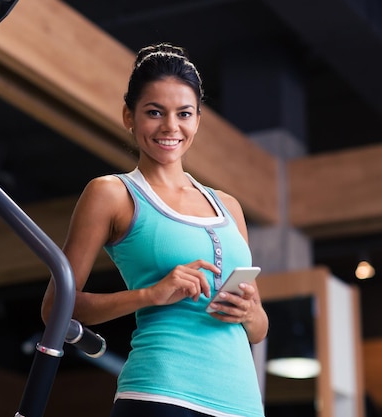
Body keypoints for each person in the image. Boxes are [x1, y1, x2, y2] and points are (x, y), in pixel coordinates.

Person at [41, 42, 268, 417]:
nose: (170, 127)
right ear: (129, 116)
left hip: (242, 405)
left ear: (197, 119)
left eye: (184, 113)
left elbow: (258, 330)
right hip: (162, 396)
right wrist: (151, 295)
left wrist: (250, 314)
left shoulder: (229, 206)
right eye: (154, 112)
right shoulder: (112, 194)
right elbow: (55, 308)